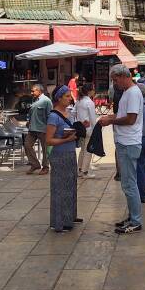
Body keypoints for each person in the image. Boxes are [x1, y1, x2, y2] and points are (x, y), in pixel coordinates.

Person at [99, 64, 144, 235]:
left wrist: (111, 121)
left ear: (123, 76)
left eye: (115, 79)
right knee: (127, 183)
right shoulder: (127, 92)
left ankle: (136, 220)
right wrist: (111, 117)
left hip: (129, 143)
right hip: (125, 142)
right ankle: (133, 215)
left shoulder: (132, 93)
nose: (114, 83)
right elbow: (124, 114)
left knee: (129, 184)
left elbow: (131, 119)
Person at [46, 85, 81, 233]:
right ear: (58, 98)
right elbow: (49, 140)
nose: (70, 99)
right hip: (59, 155)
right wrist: (67, 140)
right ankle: (60, 222)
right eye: (67, 96)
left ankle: (70, 216)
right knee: (61, 189)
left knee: (71, 186)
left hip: (70, 153)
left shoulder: (67, 113)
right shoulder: (53, 116)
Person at [24, 83, 52, 175]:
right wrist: (28, 121)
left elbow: (49, 115)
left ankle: (45, 167)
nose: (31, 93)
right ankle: (35, 164)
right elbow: (31, 113)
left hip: (43, 128)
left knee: (45, 149)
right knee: (27, 145)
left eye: (33, 91)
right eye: (31, 91)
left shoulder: (46, 101)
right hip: (32, 128)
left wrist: (50, 128)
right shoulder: (34, 100)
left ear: (39, 91)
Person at [75, 83, 98, 177]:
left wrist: (79, 121)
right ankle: (85, 171)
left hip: (81, 129)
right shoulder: (89, 102)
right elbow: (93, 118)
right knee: (88, 150)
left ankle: (80, 169)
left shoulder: (79, 101)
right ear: (89, 91)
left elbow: (73, 113)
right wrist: (96, 129)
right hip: (88, 129)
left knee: (83, 149)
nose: (94, 91)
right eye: (93, 89)